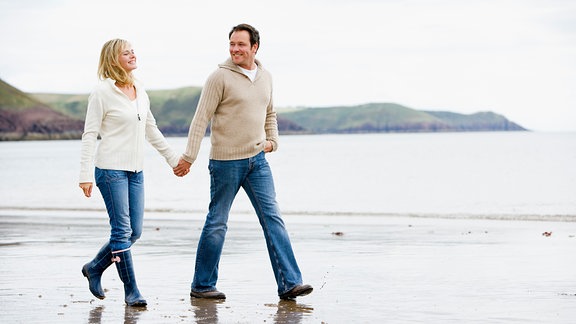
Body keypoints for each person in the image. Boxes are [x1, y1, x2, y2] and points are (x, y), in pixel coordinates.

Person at [173, 23, 313, 300]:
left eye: (241, 45)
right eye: (232, 44)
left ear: (254, 47)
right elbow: (201, 119)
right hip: (226, 163)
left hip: (258, 161)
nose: (235, 49)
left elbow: (270, 112)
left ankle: (289, 283)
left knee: (273, 219)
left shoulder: (266, 76)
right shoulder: (219, 77)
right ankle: (202, 285)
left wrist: (273, 141)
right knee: (217, 222)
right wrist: (188, 157)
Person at [78, 39, 183, 307]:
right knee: (122, 231)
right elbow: (90, 134)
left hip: (136, 171)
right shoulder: (102, 92)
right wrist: (85, 174)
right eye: (126, 52)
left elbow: (151, 129)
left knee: (134, 232)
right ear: (114, 60)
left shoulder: (140, 89)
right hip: (110, 169)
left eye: (133, 50)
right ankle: (132, 291)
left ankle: (95, 267)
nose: (133, 54)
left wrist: (173, 159)